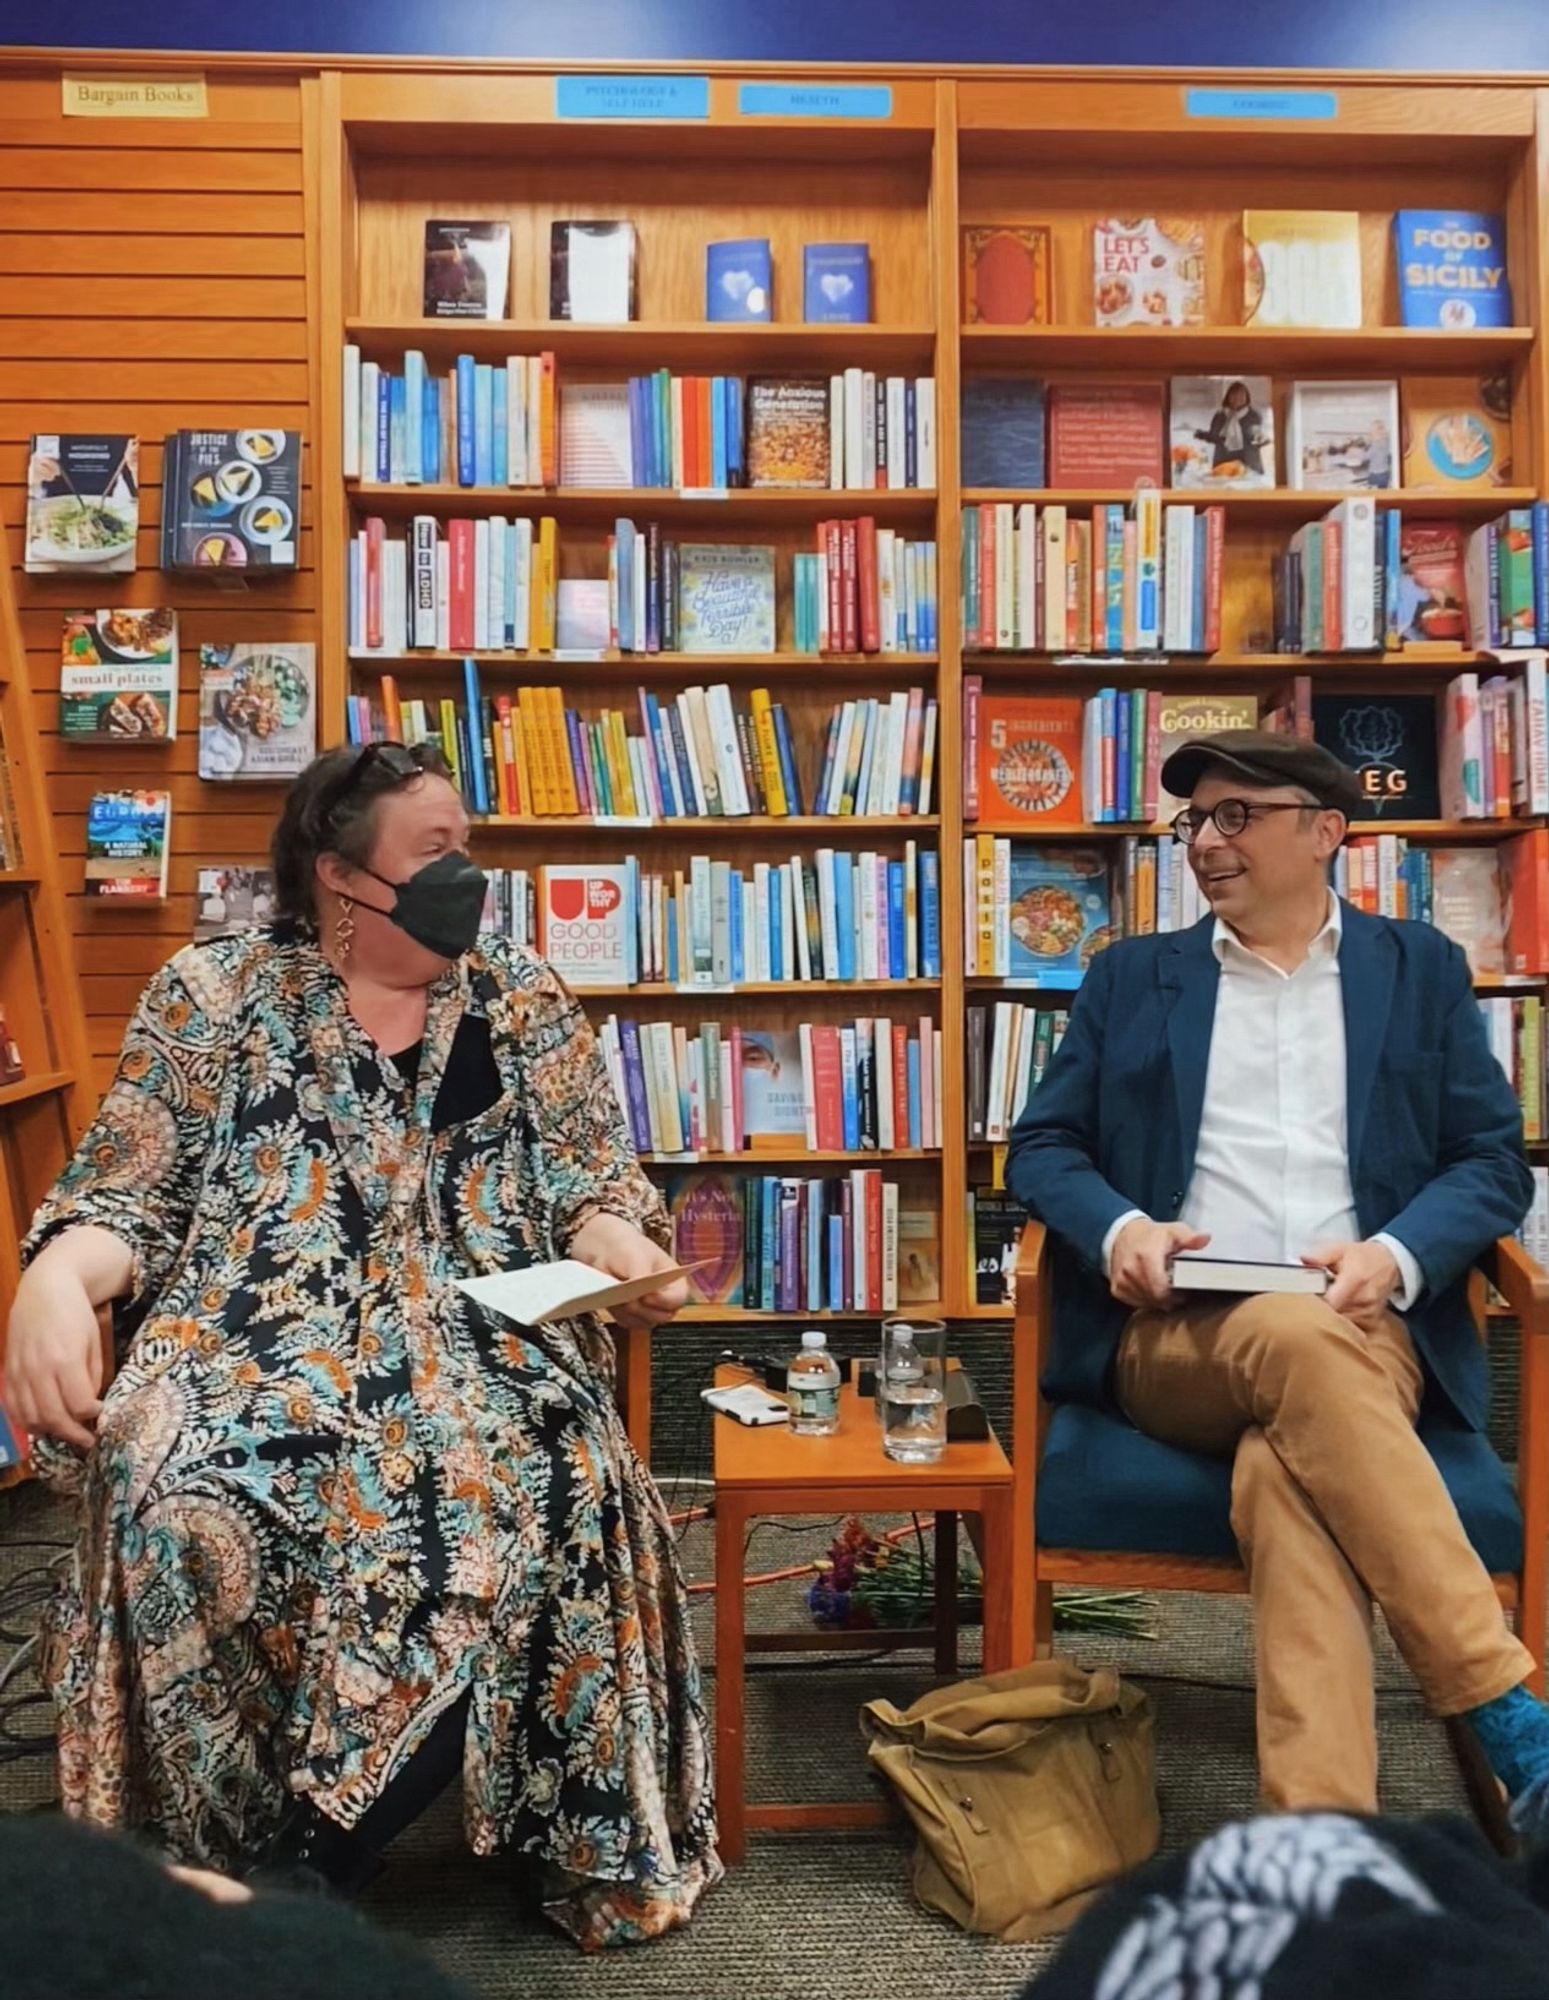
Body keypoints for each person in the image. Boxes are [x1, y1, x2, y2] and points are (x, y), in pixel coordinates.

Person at [2, 741, 719, 1948]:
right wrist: (53, 1278)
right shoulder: (213, 992)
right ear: (341, 875)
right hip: (250, 1322)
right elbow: (126, 1192)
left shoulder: (520, 995)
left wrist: (615, 1241)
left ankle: (310, 1865)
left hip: (482, 1326)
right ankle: (206, 1845)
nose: (468, 876)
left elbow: (594, 1177)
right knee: (164, 1475)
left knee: (534, 1480)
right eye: (437, 852)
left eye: (468, 847)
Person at [1007, 729, 1549, 1840]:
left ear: (1326, 832)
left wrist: (1392, 1255)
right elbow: (1044, 1148)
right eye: (1194, 821)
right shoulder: (1129, 977)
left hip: (1367, 1327)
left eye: (1235, 814)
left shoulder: (1417, 969)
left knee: (1285, 1472)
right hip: (1177, 1336)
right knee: (1292, 1347)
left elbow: (1491, 1159)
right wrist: (1117, 1226)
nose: (1206, 841)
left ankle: (1321, 1852)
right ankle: (1505, 1706)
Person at [1194, 379, 1268, 480]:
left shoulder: (1253, 416)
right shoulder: (1220, 416)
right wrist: (1201, 434)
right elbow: (1214, 437)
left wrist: (1261, 440)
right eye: (1234, 394)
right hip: (1223, 464)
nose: (1238, 398)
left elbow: (1255, 435)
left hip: (1249, 464)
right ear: (1228, 397)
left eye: (1242, 394)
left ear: (1247, 397)